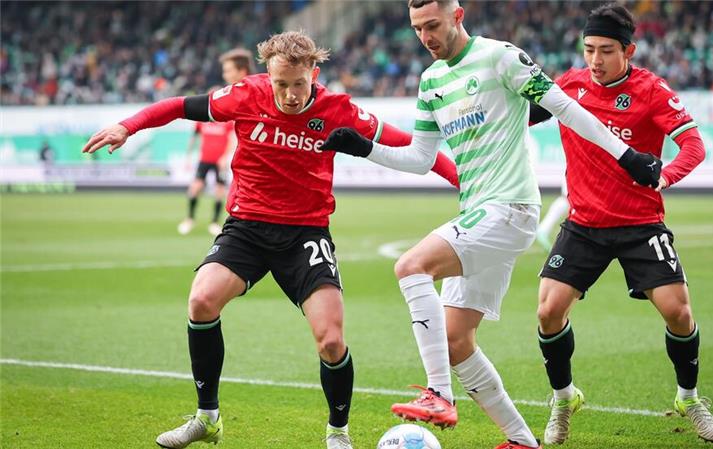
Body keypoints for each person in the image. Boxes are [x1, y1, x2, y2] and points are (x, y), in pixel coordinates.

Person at [82, 30, 458, 449]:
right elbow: (178, 106)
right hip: (247, 228)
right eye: (281, 84)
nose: (291, 95)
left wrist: (462, 181)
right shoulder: (244, 95)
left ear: (314, 74)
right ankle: (207, 419)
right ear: (267, 74)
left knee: (331, 340)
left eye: (299, 84)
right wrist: (126, 126)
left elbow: (409, 144)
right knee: (201, 301)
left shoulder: (339, 109)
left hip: (305, 233)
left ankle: (338, 433)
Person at [320, 1, 662, 448]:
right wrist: (364, 148)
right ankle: (522, 441)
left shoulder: (502, 57)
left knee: (411, 267)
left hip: (511, 207)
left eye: (433, 25)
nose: (425, 37)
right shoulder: (431, 81)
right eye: (418, 29)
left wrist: (629, 156)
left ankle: (439, 393)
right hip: (478, 212)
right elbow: (421, 158)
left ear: (457, 16)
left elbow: (567, 108)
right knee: (456, 340)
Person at [529, 3, 713, 444]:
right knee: (548, 311)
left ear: (628, 50)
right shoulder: (569, 85)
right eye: (589, 49)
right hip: (584, 223)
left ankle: (688, 397)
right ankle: (563, 398)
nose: (594, 60)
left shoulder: (652, 90)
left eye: (606, 50)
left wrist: (665, 175)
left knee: (679, 312)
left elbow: (693, 145)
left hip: (640, 224)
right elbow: (520, 116)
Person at [178, 49, 254, 236]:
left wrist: (226, 157)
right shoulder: (202, 121)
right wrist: (188, 156)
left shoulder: (228, 118)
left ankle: (214, 222)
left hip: (220, 160)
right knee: (196, 188)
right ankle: (189, 219)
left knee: (220, 191)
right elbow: (194, 137)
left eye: (228, 70)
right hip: (204, 159)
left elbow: (231, 138)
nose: (224, 75)